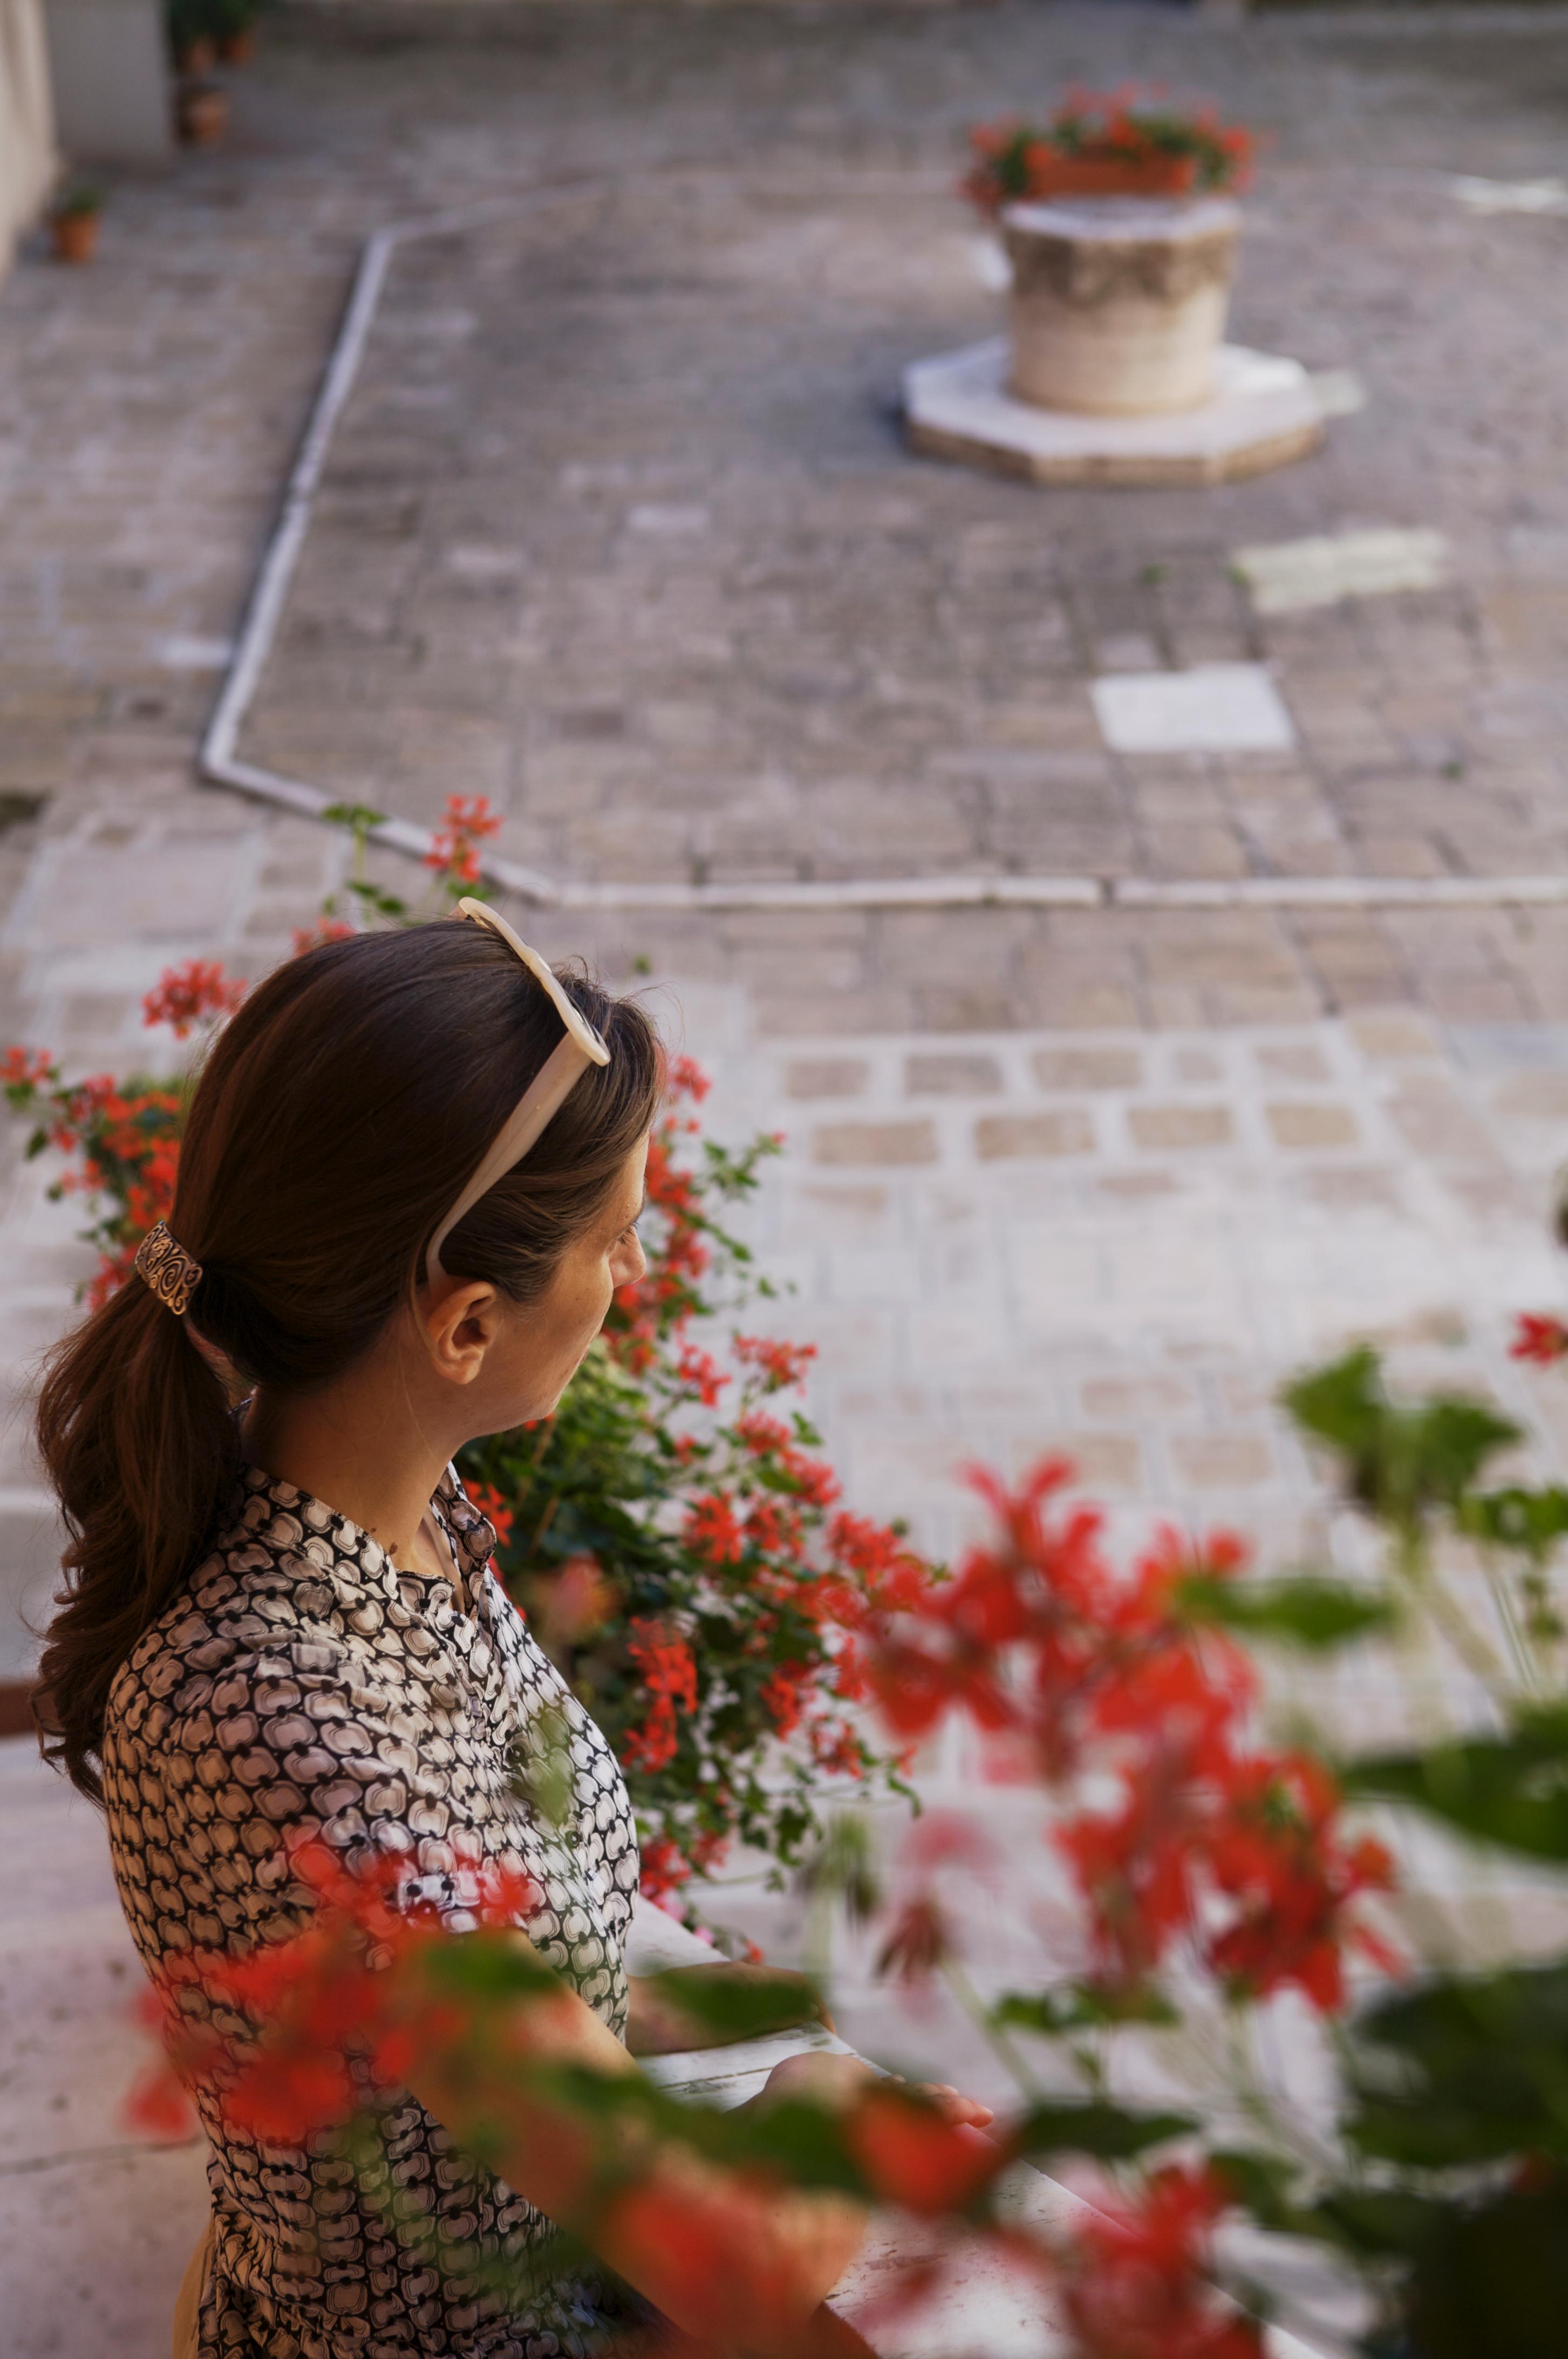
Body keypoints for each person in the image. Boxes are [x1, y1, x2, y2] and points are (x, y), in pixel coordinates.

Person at [31, 909, 991, 2359]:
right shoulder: (294, 1738)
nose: (632, 1280)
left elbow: (537, 1945)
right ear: (466, 1323)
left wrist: (767, 2018)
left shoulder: (379, 1520)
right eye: (614, 1242)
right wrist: (834, 2101)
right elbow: (727, 2261)